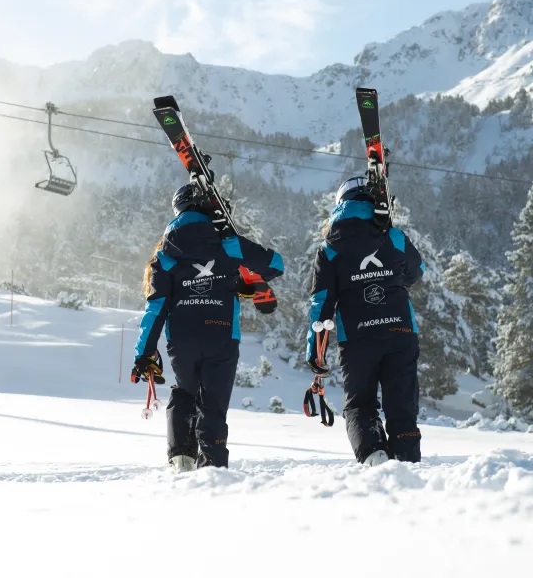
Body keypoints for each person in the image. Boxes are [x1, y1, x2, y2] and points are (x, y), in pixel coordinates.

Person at [131, 183, 284, 473]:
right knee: (213, 404)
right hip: (222, 334)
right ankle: (212, 467)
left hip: (182, 339)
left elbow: (156, 308)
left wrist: (144, 353)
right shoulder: (229, 245)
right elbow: (276, 265)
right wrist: (243, 278)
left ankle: (181, 458)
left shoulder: (165, 256)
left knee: (185, 392)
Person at [306, 176, 425, 465]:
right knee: (402, 407)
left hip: (357, 339)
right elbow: (416, 271)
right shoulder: (393, 237)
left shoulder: (329, 249)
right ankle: (408, 463)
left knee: (359, 405)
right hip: (400, 332)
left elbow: (321, 304)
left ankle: (374, 456)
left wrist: (315, 352)